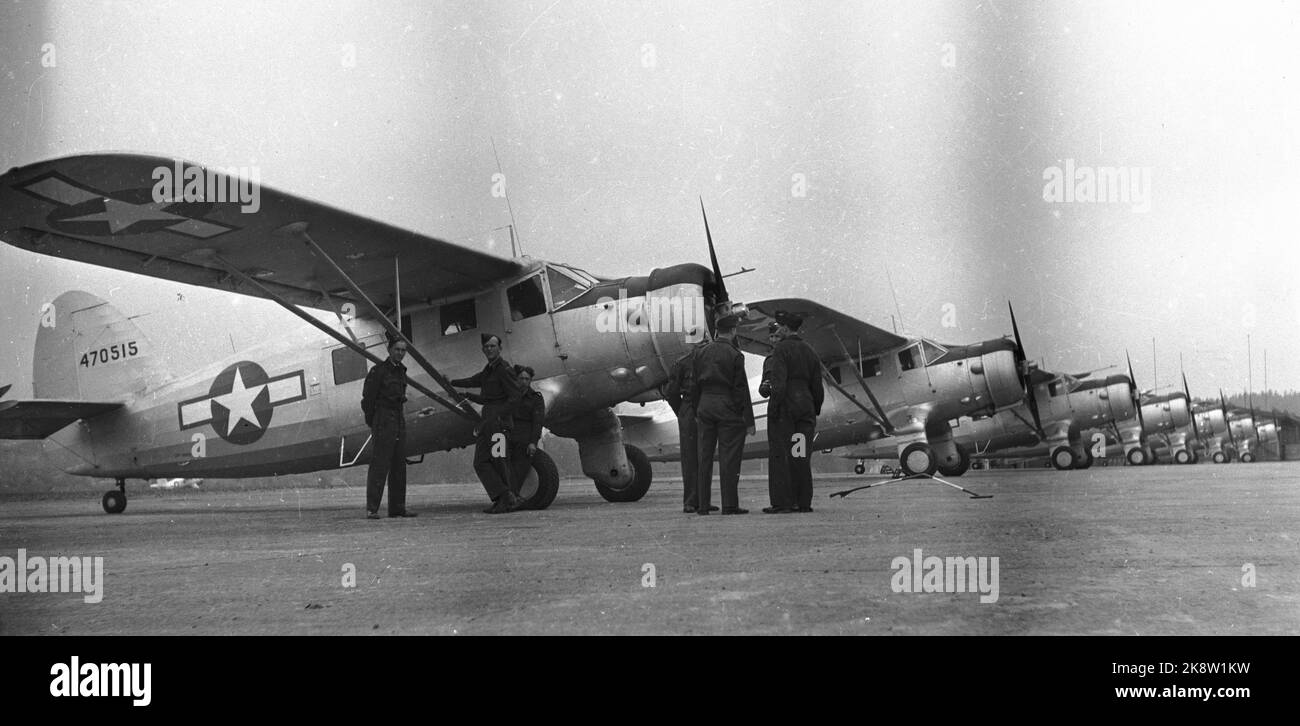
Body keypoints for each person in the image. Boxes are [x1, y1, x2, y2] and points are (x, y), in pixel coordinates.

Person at [451, 334, 525, 514]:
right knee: (481, 462)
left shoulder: (504, 369)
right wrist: (452, 382)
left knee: (499, 460)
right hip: (488, 421)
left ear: (500, 348)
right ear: (483, 349)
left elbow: (515, 398)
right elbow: (475, 381)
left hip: (498, 423)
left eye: (493, 346)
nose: (490, 349)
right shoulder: (489, 370)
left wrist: (499, 416)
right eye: (487, 346)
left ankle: (509, 499)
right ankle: (503, 496)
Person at [691, 314, 754, 515]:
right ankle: (729, 505)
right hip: (727, 407)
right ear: (733, 331)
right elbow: (740, 389)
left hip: (705, 405)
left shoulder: (700, 353)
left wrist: (696, 410)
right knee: (729, 458)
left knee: (704, 457)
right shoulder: (735, 355)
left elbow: (693, 386)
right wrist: (747, 419)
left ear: (716, 331)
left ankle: (702, 505)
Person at [768, 311, 824, 513]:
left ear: (784, 328)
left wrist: (774, 408)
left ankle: (784, 502)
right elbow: (817, 387)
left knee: (783, 455)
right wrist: (813, 408)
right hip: (805, 408)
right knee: (800, 454)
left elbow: (779, 384)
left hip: (787, 408)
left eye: (780, 326)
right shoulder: (810, 351)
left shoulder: (781, 349)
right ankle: (803, 502)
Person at [360, 335, 417, 518]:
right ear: (389, 350)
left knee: (399, 464)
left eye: (403, 350)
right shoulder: (378, 371)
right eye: (397, 349)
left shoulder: (401, 371)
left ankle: (397, 508)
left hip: (398, 419)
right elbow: (367, 400)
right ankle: (372, 508)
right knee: (380, 464)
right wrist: (375, 421)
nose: (400, 353)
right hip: (383, 420)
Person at [662, 336, 716, 514]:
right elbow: (671, 393)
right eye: (702, 342)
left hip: (699, 409)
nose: (704, 345)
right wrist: (683, 413)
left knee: (704, 456)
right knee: (692, 457)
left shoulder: (687, 363)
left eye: (706, 342)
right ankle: (692, 501)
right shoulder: (684, 364)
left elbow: (671, 392)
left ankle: (702, 500)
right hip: (692, 409)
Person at [758, 323, 795, 514]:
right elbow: (763, 389)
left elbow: (769, 390)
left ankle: (781, 502)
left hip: (779, 412)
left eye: (777, 337)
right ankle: (797, 500)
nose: (773, 340)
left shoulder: (773, 359)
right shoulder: (794, 356)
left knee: (779, 457)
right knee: (797, 454)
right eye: (771, 337)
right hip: (795, 411)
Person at [508, 364, 546, 499]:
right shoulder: (508, 395)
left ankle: (512, 499)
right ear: (516, 379)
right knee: (500, 465)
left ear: (530, 381)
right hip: (505, 437)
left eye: (526, 379)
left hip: (523, 438)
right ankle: (503, 499)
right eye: (521, 378)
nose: (523, 381)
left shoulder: (536, 398)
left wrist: (533, 443)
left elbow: (538, 422)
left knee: (519, 470)